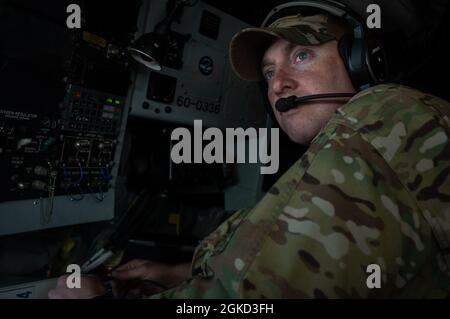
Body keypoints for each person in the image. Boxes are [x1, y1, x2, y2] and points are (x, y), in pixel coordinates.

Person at [49, 6, 450, 299]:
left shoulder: (384, 116)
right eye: (270, 72)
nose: (278, 85)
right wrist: (173, 273)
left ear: (363, 63)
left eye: (301, 55)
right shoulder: (337, 150)